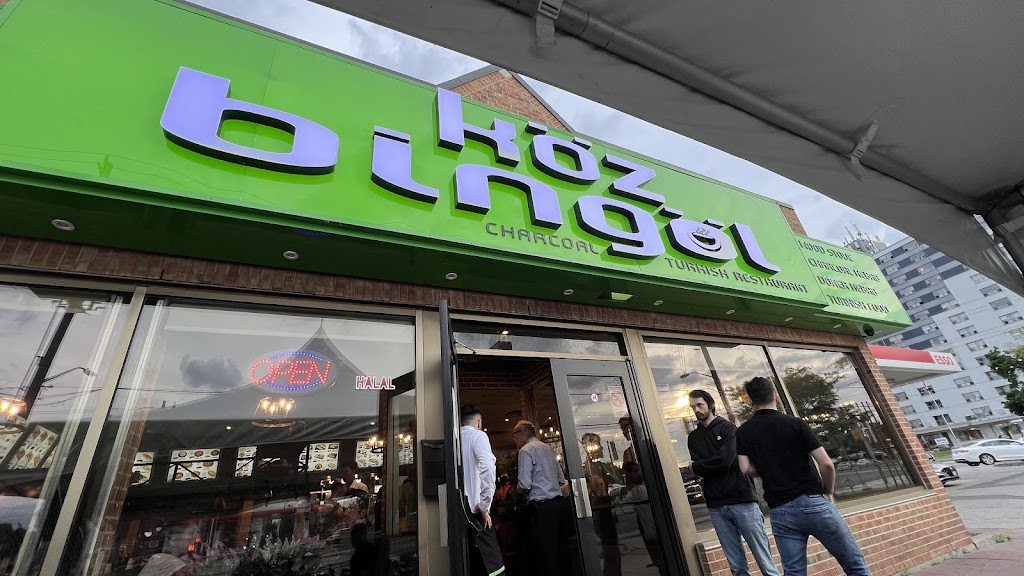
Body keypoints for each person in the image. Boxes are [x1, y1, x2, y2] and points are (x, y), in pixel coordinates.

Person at [736, 377, 872, 576]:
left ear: (750, 401)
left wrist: (768, 468)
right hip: (813, 502)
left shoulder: (743, 432)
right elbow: (826, 464)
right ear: (776, 397)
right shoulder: (795, 423)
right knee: (854, 565)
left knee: (794, 572)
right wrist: (828, 493)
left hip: (781, 510)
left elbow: (745, 469)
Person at [685, 389, 780, 576]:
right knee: (737, 567)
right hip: (716, 506)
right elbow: (701, 467)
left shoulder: (728, 428)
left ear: (710, 405)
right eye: (693, 407)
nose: (696, 410)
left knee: (765, 562)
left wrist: (699, 465)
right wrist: (702, 465)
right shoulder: (693, 438)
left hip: (742, 501)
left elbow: (725, 461)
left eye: (700, 405)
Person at [513, 420, 570, 576]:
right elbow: (561, 479)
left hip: (542, 508)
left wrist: (516, 490)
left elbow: (524, 484)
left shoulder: (525, 450)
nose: (514, 439)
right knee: (561, 552)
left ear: (523, 433)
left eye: (515, 434)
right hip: (559, 505)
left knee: (545, 555)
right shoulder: (548, 448)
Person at [460, 404, 507, 576]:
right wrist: (485, 506)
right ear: (479, 422)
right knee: (495, 567)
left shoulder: (454, 439)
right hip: (476, 512)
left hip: (459, 510)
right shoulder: (478, 436)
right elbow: (487, 467)